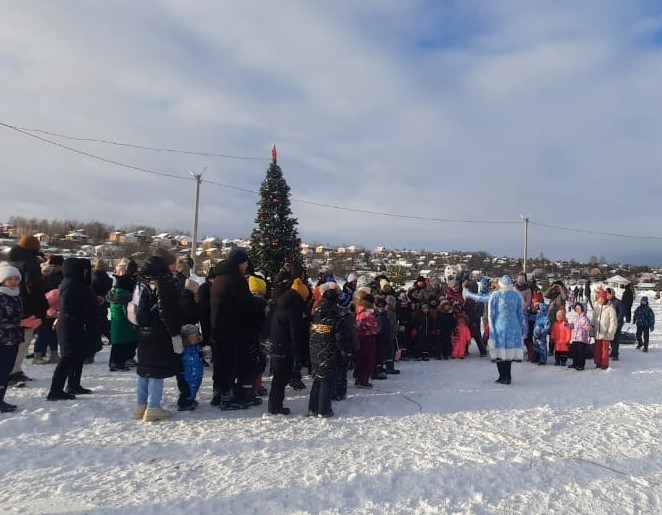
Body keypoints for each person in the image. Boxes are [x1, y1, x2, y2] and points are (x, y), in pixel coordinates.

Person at [133, 255, 184, 421]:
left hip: (144, 331)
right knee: (156, 371)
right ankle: (153, 407)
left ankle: (141, 406)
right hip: (159, 333)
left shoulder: (142, 284)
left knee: (144, 370)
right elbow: (166, 312)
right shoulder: (163, 285)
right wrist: (174, 333)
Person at [210, 249, 260, 410]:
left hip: (218, 327)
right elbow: (245, 302)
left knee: (221, 362)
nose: (246, 266)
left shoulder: (219, 277)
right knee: (231, 363)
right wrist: (262, 304)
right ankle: (227, 396)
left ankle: (218, 392)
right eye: (245, 262)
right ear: (239, 262)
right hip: (231, 328)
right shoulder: (235, 279)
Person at [47, 258, 102, 400]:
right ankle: (55, 390)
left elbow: (82, 301)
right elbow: (69, 308)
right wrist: (83, 320)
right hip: (70, 325)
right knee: (68, 357)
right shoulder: (70, 284)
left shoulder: (79, 283)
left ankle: (73, 384)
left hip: (78, 325)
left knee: (78, 356)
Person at [464, 275, 524, 384]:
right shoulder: (517, 295)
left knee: (499, 352)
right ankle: (508, 377)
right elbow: (520, 313)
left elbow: (482, 299)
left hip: (499, 326)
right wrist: (520, 328)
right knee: (508, 353)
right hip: (513, 326)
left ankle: (502, 377)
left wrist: (467, 293)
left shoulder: (496, 294)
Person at [308, 282, 355, 417]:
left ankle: (313, 408)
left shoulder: (315, 314)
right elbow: (341, 337)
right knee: (327, 380)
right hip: (329, 350)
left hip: (315, 350)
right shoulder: (336, 317)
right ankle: (324, 409)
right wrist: (346, 351)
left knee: (318, 378)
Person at [7, 235, 48, 387]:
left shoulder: (13, 260)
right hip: (28, 307)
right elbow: (33, 287)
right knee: (23, 340)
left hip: (15, 304)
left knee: (16, 341)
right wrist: (42, 306)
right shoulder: (30, 263)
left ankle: (14, 370)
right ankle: (12, 372)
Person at [268, 277, 310, 414]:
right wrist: (298, 354)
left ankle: (275, 405)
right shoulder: (292, 309)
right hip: (283, 347)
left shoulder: (283, 303)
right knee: (280, 378)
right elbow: (295, 333)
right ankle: (275, 407)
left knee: (279, 377)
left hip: (278, 344)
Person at [107, 258, 139, 371]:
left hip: (119, 326)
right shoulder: (123, 297)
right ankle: (117, 363)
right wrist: (134, 320)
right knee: (121, 346)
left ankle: (121, 361)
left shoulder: (115, 295)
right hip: (124, 325)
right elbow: (127, 312)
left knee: (121, 344)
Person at [0, 263, 23, 412]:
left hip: (14, 338)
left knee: (7, 370)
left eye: (16, 279)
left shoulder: (16, 296)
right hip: (3, 339)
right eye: (10, 279)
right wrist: (20, 323)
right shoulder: (2, 297)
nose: (14, 282)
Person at [354, 290, 379, 388]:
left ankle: (358, 378)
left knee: (360, 359)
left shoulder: (359, 311)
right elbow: (375, 329)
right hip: (368, 338)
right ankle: (363, 380)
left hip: (359, 337)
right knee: (368, 359)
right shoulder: (368, 314)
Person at [178, 324, 204, 411]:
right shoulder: (184, 349)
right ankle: (185, 402)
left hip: (196, 371)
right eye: (195, 336)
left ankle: (191, 400)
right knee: (188, 389)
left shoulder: (196, 347)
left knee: (195, 386)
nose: (197, 337)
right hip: (187, 373)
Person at [592, 290, 617, 370]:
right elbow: (593, 319)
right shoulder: (596, 307)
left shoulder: (610, 308)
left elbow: (613, 322)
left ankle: (604, 364)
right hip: (597, 332)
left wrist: (610, 333)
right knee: (597, 349)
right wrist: (591, 329)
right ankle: (598, 363)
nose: (601, 300)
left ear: (605, 298)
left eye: (603, 298)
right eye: (600, 298)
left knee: (604, 349)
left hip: (606, 333)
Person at [568, 302, 593, 371]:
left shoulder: (584, 318)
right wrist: (568, 325)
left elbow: (589, 327)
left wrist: (587, 327)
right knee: (574, 351)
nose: (577, 310)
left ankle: (581, 365)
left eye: (579, 308)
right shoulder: (575, 318)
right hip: (575, 338)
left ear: (582, 309)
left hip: (582, 338)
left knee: (581, 352)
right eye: (576, 308)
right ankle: (575, 363)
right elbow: (572, 326)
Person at [606, 288, 624, 360]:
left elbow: (622, 313)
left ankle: (615, 354)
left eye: (609, 294)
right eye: (606, 294)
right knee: (611, 338)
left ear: (612, 294)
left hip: (617, 323)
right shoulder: (607, 302)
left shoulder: (617, 302)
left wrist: (616, 321)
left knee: (615, 339)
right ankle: (613, 352)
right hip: (609, 323)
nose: (607, 295)